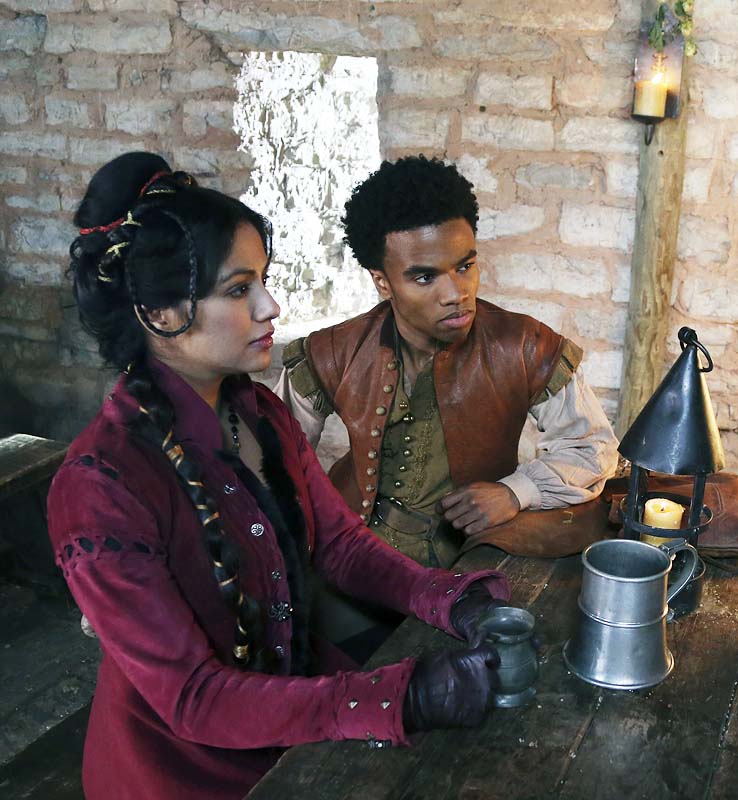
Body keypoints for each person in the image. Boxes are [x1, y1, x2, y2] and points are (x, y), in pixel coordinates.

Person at [49, 152, 518, 800]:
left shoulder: (258, 412)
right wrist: (404, 696)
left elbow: (340, 545)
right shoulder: (101, 486)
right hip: (187, 772)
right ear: (160, 313)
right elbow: (194, 698)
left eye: (263, 281)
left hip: (296, 708)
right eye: (238, 289)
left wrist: (451, 599)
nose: (271, 306)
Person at [274, 155, 619, 569]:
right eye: (425, 277)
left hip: (470, 558)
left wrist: (515, 492)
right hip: (349, 555)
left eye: (465, 266)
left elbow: (592, 447)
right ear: (382, 281)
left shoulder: (524, 344)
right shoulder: (332, 351)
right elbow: (273, 461)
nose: (456, 293)